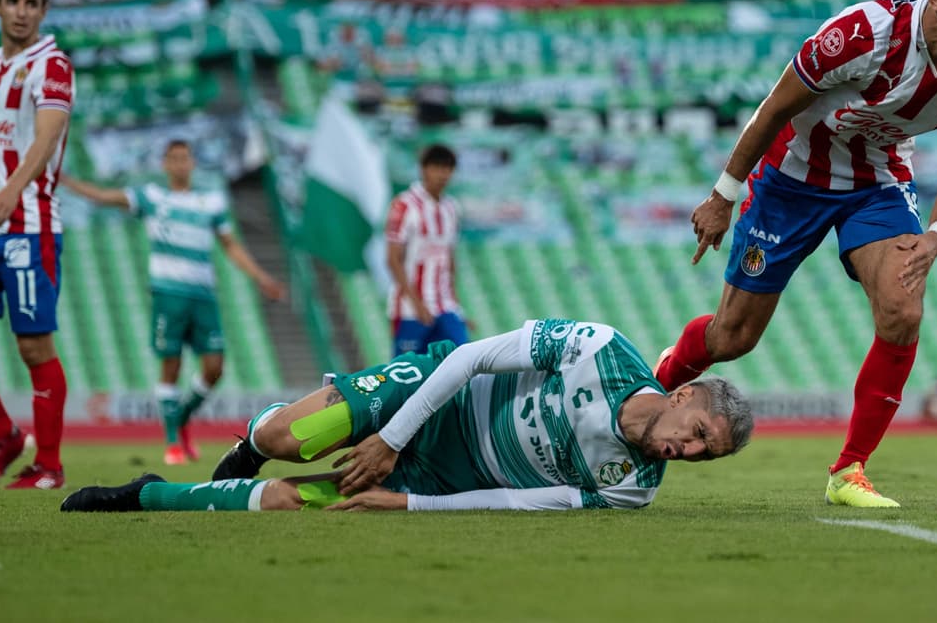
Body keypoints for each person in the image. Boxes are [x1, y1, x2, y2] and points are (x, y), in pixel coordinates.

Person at [654, 0, 937, 508]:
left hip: (877, 186)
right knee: (733, 338)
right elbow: (775, 107)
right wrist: (724, 194)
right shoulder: (866, 33)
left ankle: (848, 471)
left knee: (903, 308)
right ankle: (654, 389)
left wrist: (936, 237)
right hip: (789, 183)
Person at [60, 318, 754, 512]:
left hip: (444, 478)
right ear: (686, 394)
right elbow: (475, 357)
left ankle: (142, 494)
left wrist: (409, 502)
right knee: (288, 438)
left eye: (706, 455)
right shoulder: (597, 348)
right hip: (430, 394)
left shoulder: (632, 487)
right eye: (698, 434)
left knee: (286, 503)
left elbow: (527, 500)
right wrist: (392, 438)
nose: (688, 452)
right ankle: (252, 434)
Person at [60, 140, 287, 465]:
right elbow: (104, 197)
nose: (180, 164)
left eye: (185, 158)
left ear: (192, 163)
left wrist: (261, 277)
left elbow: (230, 245)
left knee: (214, 368)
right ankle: (172, 443)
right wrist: (67, 182)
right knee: (172, 365)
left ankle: (178, 421)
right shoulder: (153, 197)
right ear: (166, 164)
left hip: (203, 296)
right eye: (174, 159)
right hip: (169, 295)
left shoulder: (209, 202)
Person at [0, 0, 74, 490]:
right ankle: (3, 434)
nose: (21, 10)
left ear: (42, 11)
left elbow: (45, 140)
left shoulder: (52, 64)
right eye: (13, 1)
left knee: (33, 348)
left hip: (29, 226)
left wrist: (8, 192)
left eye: (31, 3)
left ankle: (49, 464)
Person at [385, 144, 467, 358]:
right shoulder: (405, 205)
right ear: (423, 169)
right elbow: (393, 259)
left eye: (447, 168)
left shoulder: (451, 208)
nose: (442, 174)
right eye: (437, 167)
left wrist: (457, 304)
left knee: (463, 362)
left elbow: (449, 258)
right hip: (410, 309)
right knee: (405, 373)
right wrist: (417, 304)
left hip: (445, 306)